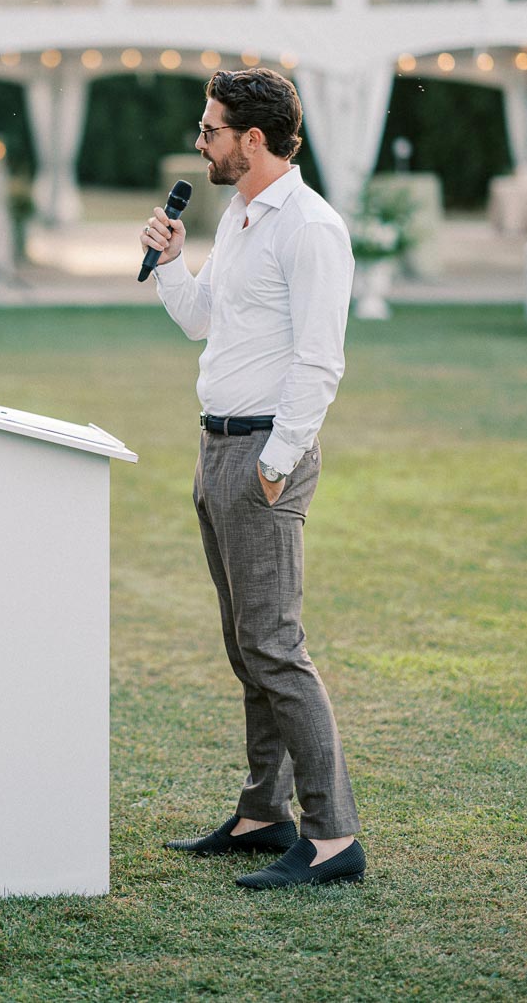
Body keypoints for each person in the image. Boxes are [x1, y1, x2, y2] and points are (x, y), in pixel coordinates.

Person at [139, 67, 365, 891]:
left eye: (210, 131)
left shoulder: (309, 228)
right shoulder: (238, 216)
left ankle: (334, 837)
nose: (200, 144)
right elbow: (203, 320)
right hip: (216, 448)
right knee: (248, 647)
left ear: (254, 139)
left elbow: (319, 359)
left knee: (276, 649)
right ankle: (262, 813)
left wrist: (274, 466)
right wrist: (170, 263)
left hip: (267, 455)